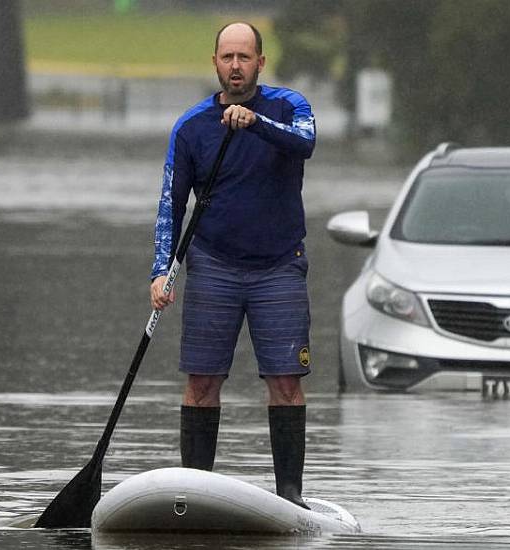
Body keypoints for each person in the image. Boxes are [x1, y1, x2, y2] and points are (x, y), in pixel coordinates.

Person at [149, 21, 316, 509]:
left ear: (260, 63)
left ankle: (290, 496)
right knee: (202, 382)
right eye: (228, 58)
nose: (236, 67)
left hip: (279, 266)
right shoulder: (192, 126)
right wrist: (161, 271)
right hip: (214, 267)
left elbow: (304, 142)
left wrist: (254, 122)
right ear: (215, 63)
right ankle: (195, 492)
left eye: (245, 58)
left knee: (285, 382)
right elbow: (170, 206)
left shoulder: (290, 106)